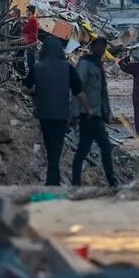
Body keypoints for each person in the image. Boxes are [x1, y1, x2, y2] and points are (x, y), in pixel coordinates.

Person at [30, 36, 83, 186]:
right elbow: (79, 92)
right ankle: (53, 178)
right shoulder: (68, 68)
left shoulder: (38, 67)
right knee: (57, 146)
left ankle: (52, 178)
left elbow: (26, 87)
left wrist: (36, 95)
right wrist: (84, 111)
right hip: (62, 114)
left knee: (49, 145)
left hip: (44, 114)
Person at [72, 38, 118, 187]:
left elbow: (103, 93)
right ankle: (111, 181)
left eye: (103, 48)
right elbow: (76, 88)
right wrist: (74, 113)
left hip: (96, 114)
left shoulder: (97, 65)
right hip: (88, 114)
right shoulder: (85, 64)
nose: (101, 50)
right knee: (104, 146)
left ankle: (76, 181)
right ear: (92, 48)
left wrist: (107, 112)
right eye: (99, 47)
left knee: (84, 149)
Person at [22, 4, 40, 88]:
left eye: (27, 11)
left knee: (30, 63)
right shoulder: (33, 19)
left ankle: (32, 81)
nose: (26, 12)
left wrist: (24, 26)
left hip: (31, 43)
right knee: (30, 62)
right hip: (31, 42)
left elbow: (25, 30)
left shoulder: (32, 20)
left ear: (30, 12)